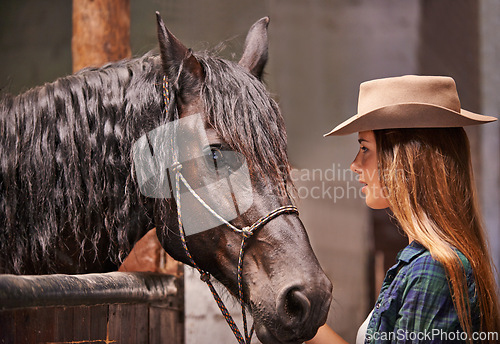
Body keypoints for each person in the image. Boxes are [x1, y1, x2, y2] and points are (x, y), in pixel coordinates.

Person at [307, 75, 500, 344]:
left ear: (405, 158)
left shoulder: (432, 270)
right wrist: (304, 323)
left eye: (365, 148)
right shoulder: (423, 262)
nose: (354, 164)